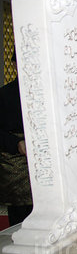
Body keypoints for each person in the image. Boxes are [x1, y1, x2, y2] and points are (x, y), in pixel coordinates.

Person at [0, 52, 33, 225]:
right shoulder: (4, 94)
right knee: (20, 220)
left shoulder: (48, 94)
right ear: (14, 64)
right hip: (16, 164)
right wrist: (16, 143)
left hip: (45, 161)